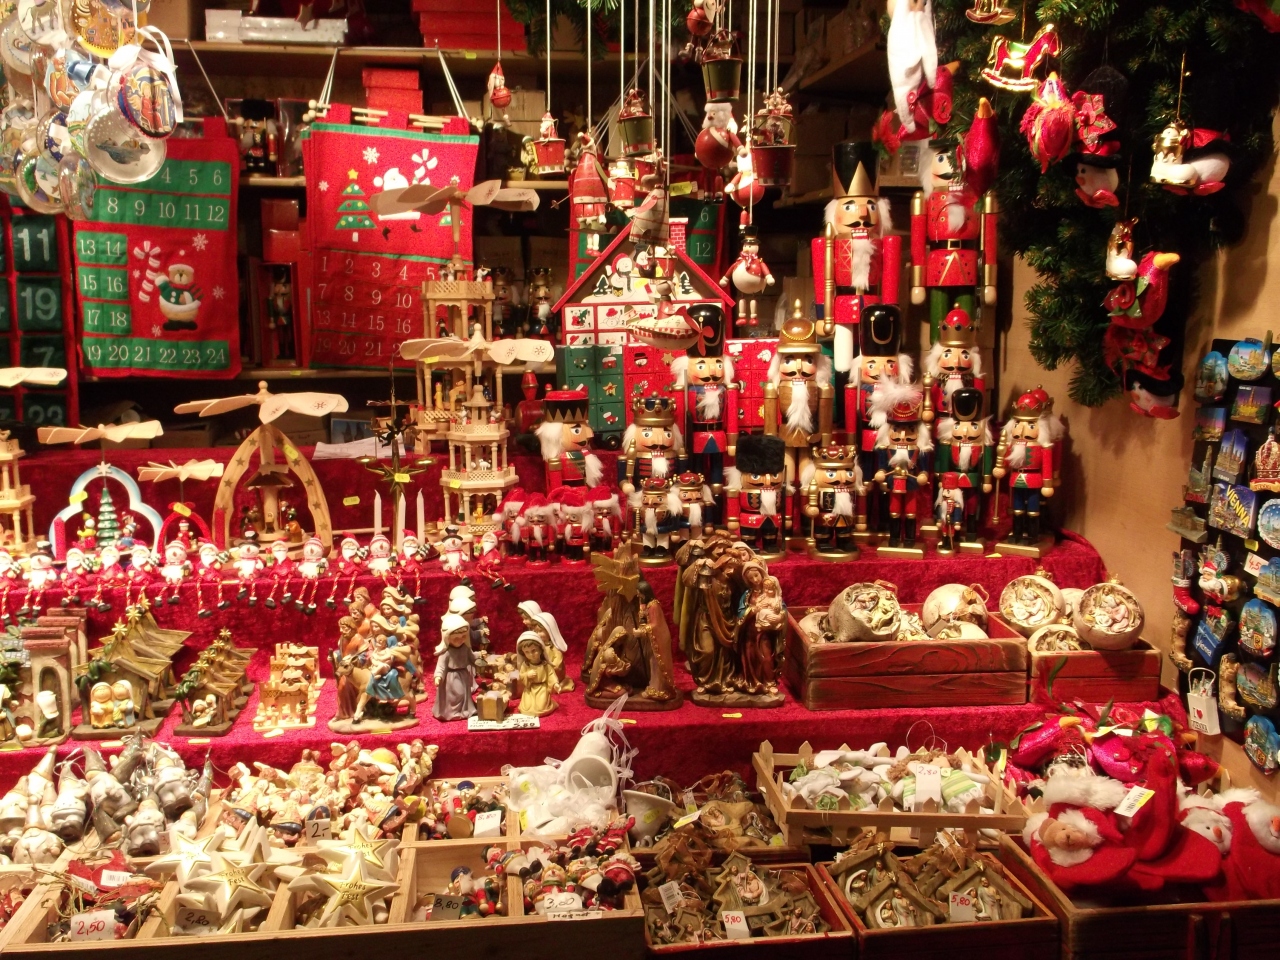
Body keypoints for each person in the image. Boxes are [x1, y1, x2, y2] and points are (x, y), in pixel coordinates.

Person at [516, 632, 561, 717]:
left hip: (542, 689)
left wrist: (555, 684)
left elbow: (551, 675)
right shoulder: (525, 665)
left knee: (541, 707)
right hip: (529, 689)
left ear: (540, 649)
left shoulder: (545, 665)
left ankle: (550, 705)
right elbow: (521, 676)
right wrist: (527, 675)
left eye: (534, 650)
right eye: (527, 652)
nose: (531, 654)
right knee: (526, 707)